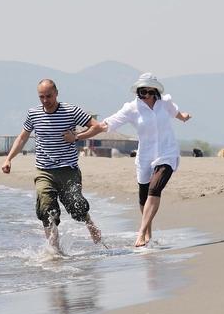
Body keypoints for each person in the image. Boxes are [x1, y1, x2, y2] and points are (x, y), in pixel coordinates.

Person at [71, 72, 191, 247]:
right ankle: (148, 232)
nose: (148, 96)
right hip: (145, 156)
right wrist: (78, 136)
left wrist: (184, 117)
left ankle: (141, 233)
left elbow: (176, 113)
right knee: (144, 197)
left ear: (157, 92)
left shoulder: (165, 102)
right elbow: (104, 125)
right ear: (138, 92)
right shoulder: (131, 108)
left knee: (155, 188)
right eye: (144, 92)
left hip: (167, 152)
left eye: (152, 92)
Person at [2, 78, 103, 252]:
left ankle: (89, 223)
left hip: (68, 170)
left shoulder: (71, 111)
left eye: (49, 96)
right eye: (41, 97)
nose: (45, 100)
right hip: (44, 171)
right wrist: (8, 158)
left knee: (76, 205)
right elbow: (23, 137)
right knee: (46, 209)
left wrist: (76, 137)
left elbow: (97, 127)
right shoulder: (33, 113)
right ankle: (54, 251)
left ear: (56, 93)